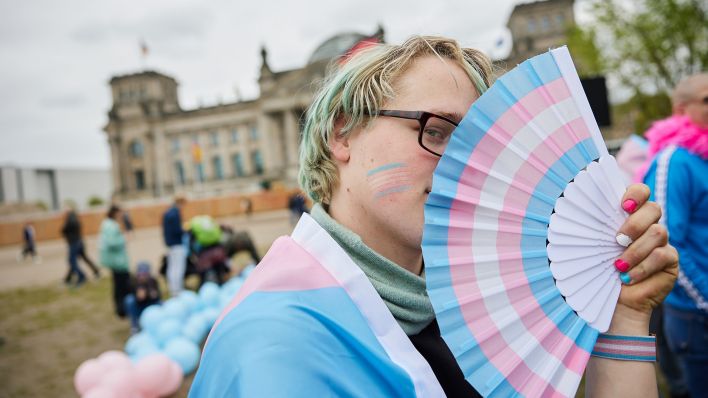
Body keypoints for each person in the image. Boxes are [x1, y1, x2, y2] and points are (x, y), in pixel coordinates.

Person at [190, 36, 678, 397]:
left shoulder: (457, 306)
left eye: (480, 144)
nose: (466, 167)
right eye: (439, 131)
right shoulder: (277, 351)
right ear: (343, 134)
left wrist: (624, 318)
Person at [641, 72, 707, 398]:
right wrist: (706, 301)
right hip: (697, 318)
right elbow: (664, 242)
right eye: (707, 100)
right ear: (681, 110)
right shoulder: (675, 160)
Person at [99, 205, 131, 317]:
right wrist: (124, 238)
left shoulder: (107, 224)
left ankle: (122, 308)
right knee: (122, 286)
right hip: (118, 262)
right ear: (115, 213)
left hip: (116, 261)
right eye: (120, 212)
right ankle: (122, 309)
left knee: (119, 285)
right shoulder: (111, 226)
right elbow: (112, 243)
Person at [61, 206, 100, 286]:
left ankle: (82, 276)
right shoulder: (75, 219)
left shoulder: (70, 220)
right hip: (79, 242)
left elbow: (64, 230)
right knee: (81, 259)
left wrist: (65, 224)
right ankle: (68, 278)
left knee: (72, 261)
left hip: (74, 243)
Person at [124, 261, 161, 334]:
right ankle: (135, 325)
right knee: (129, 300)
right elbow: (137, 298)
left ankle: (158, 322)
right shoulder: (133, 282)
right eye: (140, 274)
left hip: (150, 305)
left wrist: (151, 295)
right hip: (138, 306)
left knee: (162, 303)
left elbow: (157, 296)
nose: (142, 276)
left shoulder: (153, 281)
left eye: (145, 274)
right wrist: (140, 296)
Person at [162, 195, 187, 296]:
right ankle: (178, 290)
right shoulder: (175, 213)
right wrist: (185, 230)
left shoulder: (167, 212)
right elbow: (177, 230)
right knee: (178, 268)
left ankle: (173, 289)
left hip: (170, 244)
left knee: (172, 268)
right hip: (177, 244)